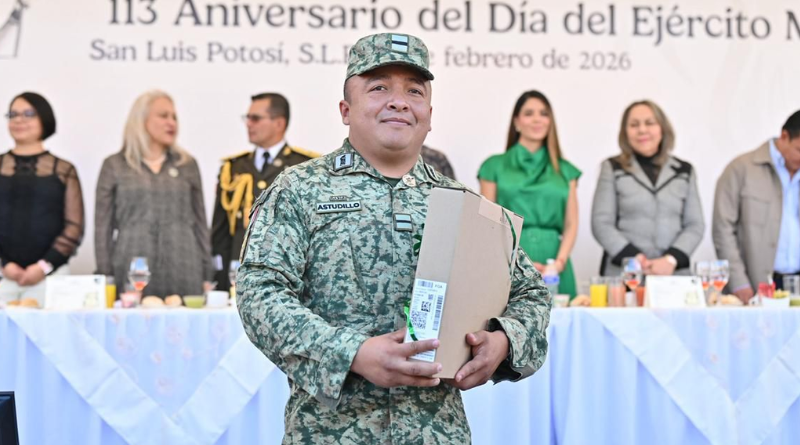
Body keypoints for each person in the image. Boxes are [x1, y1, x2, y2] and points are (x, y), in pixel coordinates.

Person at [237, 33, 551, 444]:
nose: (399, 102)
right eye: (379, 87)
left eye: (414, 91)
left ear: (429, 115)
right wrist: (352, 353)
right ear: (346, 110)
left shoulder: (463, 204)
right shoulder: (299, 190)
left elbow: (531, 293)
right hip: (329, 432)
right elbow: (259, 294)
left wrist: (504, 340)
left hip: (437, 433)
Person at [95, 90, 212, 298]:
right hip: (133, 269)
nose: (171, 122)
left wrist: (207, 273)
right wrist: (105, 275)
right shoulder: (114, 165)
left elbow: (200, 223)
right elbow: (102, 228)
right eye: (163, 115)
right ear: (141, 120)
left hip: (184, 267)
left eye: (174, 117)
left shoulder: (187, 165)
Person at [478, 90, 581, 297]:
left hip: (556, 264)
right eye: (529, 113)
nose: (537, 119)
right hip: (509, 262)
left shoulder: (565, 170)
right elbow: (487, 224)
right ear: (516, 121)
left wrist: (559, 263)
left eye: (543, 113)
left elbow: (571, 223)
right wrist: (516, 262)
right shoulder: (493, 166)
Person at [211, 93, 317, 291]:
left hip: (287, 274)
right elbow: (221, 232)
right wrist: (220, 277)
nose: (248, 124)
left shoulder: (304, 166)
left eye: (256, 118)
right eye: (247, 118)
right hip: (238, 273)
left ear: (279, 123)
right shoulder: (233, 168)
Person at [591, 100, 704, 277]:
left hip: (673, 275)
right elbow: (601, 223)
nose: (642, 130)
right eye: (634, 125)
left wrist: (670, 260)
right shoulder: (612, 167)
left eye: (650, 123)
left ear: (662, 128)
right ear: (625, 132)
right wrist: (635, 259)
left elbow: (695, 224)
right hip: (625, 275)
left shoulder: (684, 170)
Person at [0, 92, 84, 305]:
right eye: (13, 114)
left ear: (44, 118)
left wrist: (43, 266)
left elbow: (74, 227)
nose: (19, 120)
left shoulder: (64, 170)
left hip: (50, 277)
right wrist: (4, 265)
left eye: (28, 114)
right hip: (3, 276)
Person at [713, 110, 800, 301]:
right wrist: (739, 282)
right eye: (799, 150)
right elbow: (723, 229)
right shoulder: (741, 169)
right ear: (784, 136)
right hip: (756, 284)